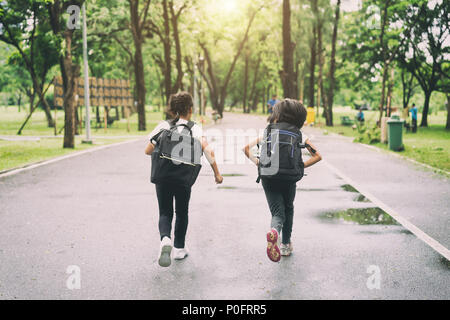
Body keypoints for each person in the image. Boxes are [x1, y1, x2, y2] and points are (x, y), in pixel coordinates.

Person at [145, 92, 224, 267]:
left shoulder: (164, 125)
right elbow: (208, 151)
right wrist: (217, 174)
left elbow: (148, 150)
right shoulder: (194, 128)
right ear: (190, 109)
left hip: (163, 176)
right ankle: (179, 249)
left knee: (165, 211)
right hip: (183, 178)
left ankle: (165, 239)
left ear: (172, 109)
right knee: (182, 212)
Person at [243, 99, 322, 262]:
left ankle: (274, 231)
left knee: (277, 212)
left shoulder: (268, 131)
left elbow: (245, 148)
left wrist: (259, 164)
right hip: (289, 178)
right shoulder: (299, 134)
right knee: (288, 209)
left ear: (277, 115)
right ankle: (285, 245)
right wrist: (300, 167)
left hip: (268, 177)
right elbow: (318, 156)